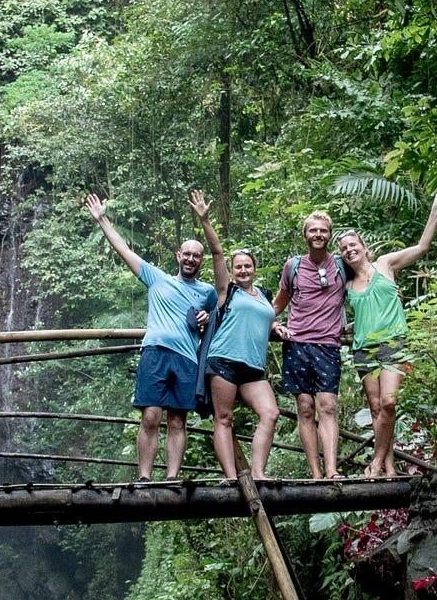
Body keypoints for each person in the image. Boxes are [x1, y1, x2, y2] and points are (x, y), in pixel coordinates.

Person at [85, 193, 217, 480]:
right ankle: (144, 476)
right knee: (150, 417)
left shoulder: (207, 292)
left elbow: (214, 321)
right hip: (155, 352)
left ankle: (171, 477)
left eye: (196, 255)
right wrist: (102, 220)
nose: (191, 259)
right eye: (187, 254)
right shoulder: (157, 279)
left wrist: (205, 321)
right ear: (178, 256)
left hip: (186, 358)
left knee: (178, 420)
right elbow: (124, 250)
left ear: (201, 260)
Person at [337, 193, 437, 478]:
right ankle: (387, 466)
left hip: (393, 343)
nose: (349, 250)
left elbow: (422, 248)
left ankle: (375, 461)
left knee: (389, 402)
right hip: (363, 349)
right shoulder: (347, 284)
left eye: (353, 245)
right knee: (375, 408)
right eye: (344, 249)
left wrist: (434, 212)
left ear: (364, 247)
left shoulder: (385, 265)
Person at [190, 191, 280, 480]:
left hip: (253, 368)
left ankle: (258, 472)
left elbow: (265, 321)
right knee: (224, 419)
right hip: (224, 362)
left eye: (247, 265)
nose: (243, 269)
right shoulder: (226, 292)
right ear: (232, 270)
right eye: (238, 266)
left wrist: (276, 327)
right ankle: (232, 477)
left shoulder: (264, 297)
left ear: (254, 269)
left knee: (270, 413)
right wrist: (205, 220)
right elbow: (217, 252)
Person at [269, 211, 347, 479]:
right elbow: (278, 303)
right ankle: (315, 472)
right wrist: (271, 324)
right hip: (297, 343)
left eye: (323, 230)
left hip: (328, 345)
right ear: (305, 235)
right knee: (304, 408)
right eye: (313, 230)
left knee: (327, 406)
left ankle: (332, 469)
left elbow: (364, 282)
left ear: (330, 235)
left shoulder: (340, 265)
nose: (318, 234)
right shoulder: (293, 267)